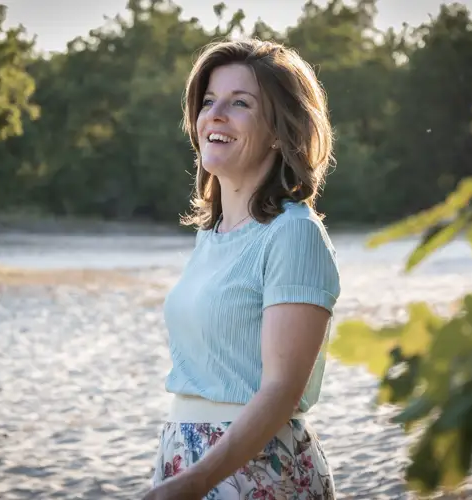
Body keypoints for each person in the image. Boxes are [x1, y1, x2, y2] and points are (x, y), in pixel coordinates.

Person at [144, 38, 341, 500]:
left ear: (279, 130)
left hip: (256, 471)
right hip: (184, 455)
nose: (215, 114)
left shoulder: (294, 233)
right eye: (209, 101)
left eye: (240, 103)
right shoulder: (211, 236)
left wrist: (196, 480)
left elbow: (280, 392)